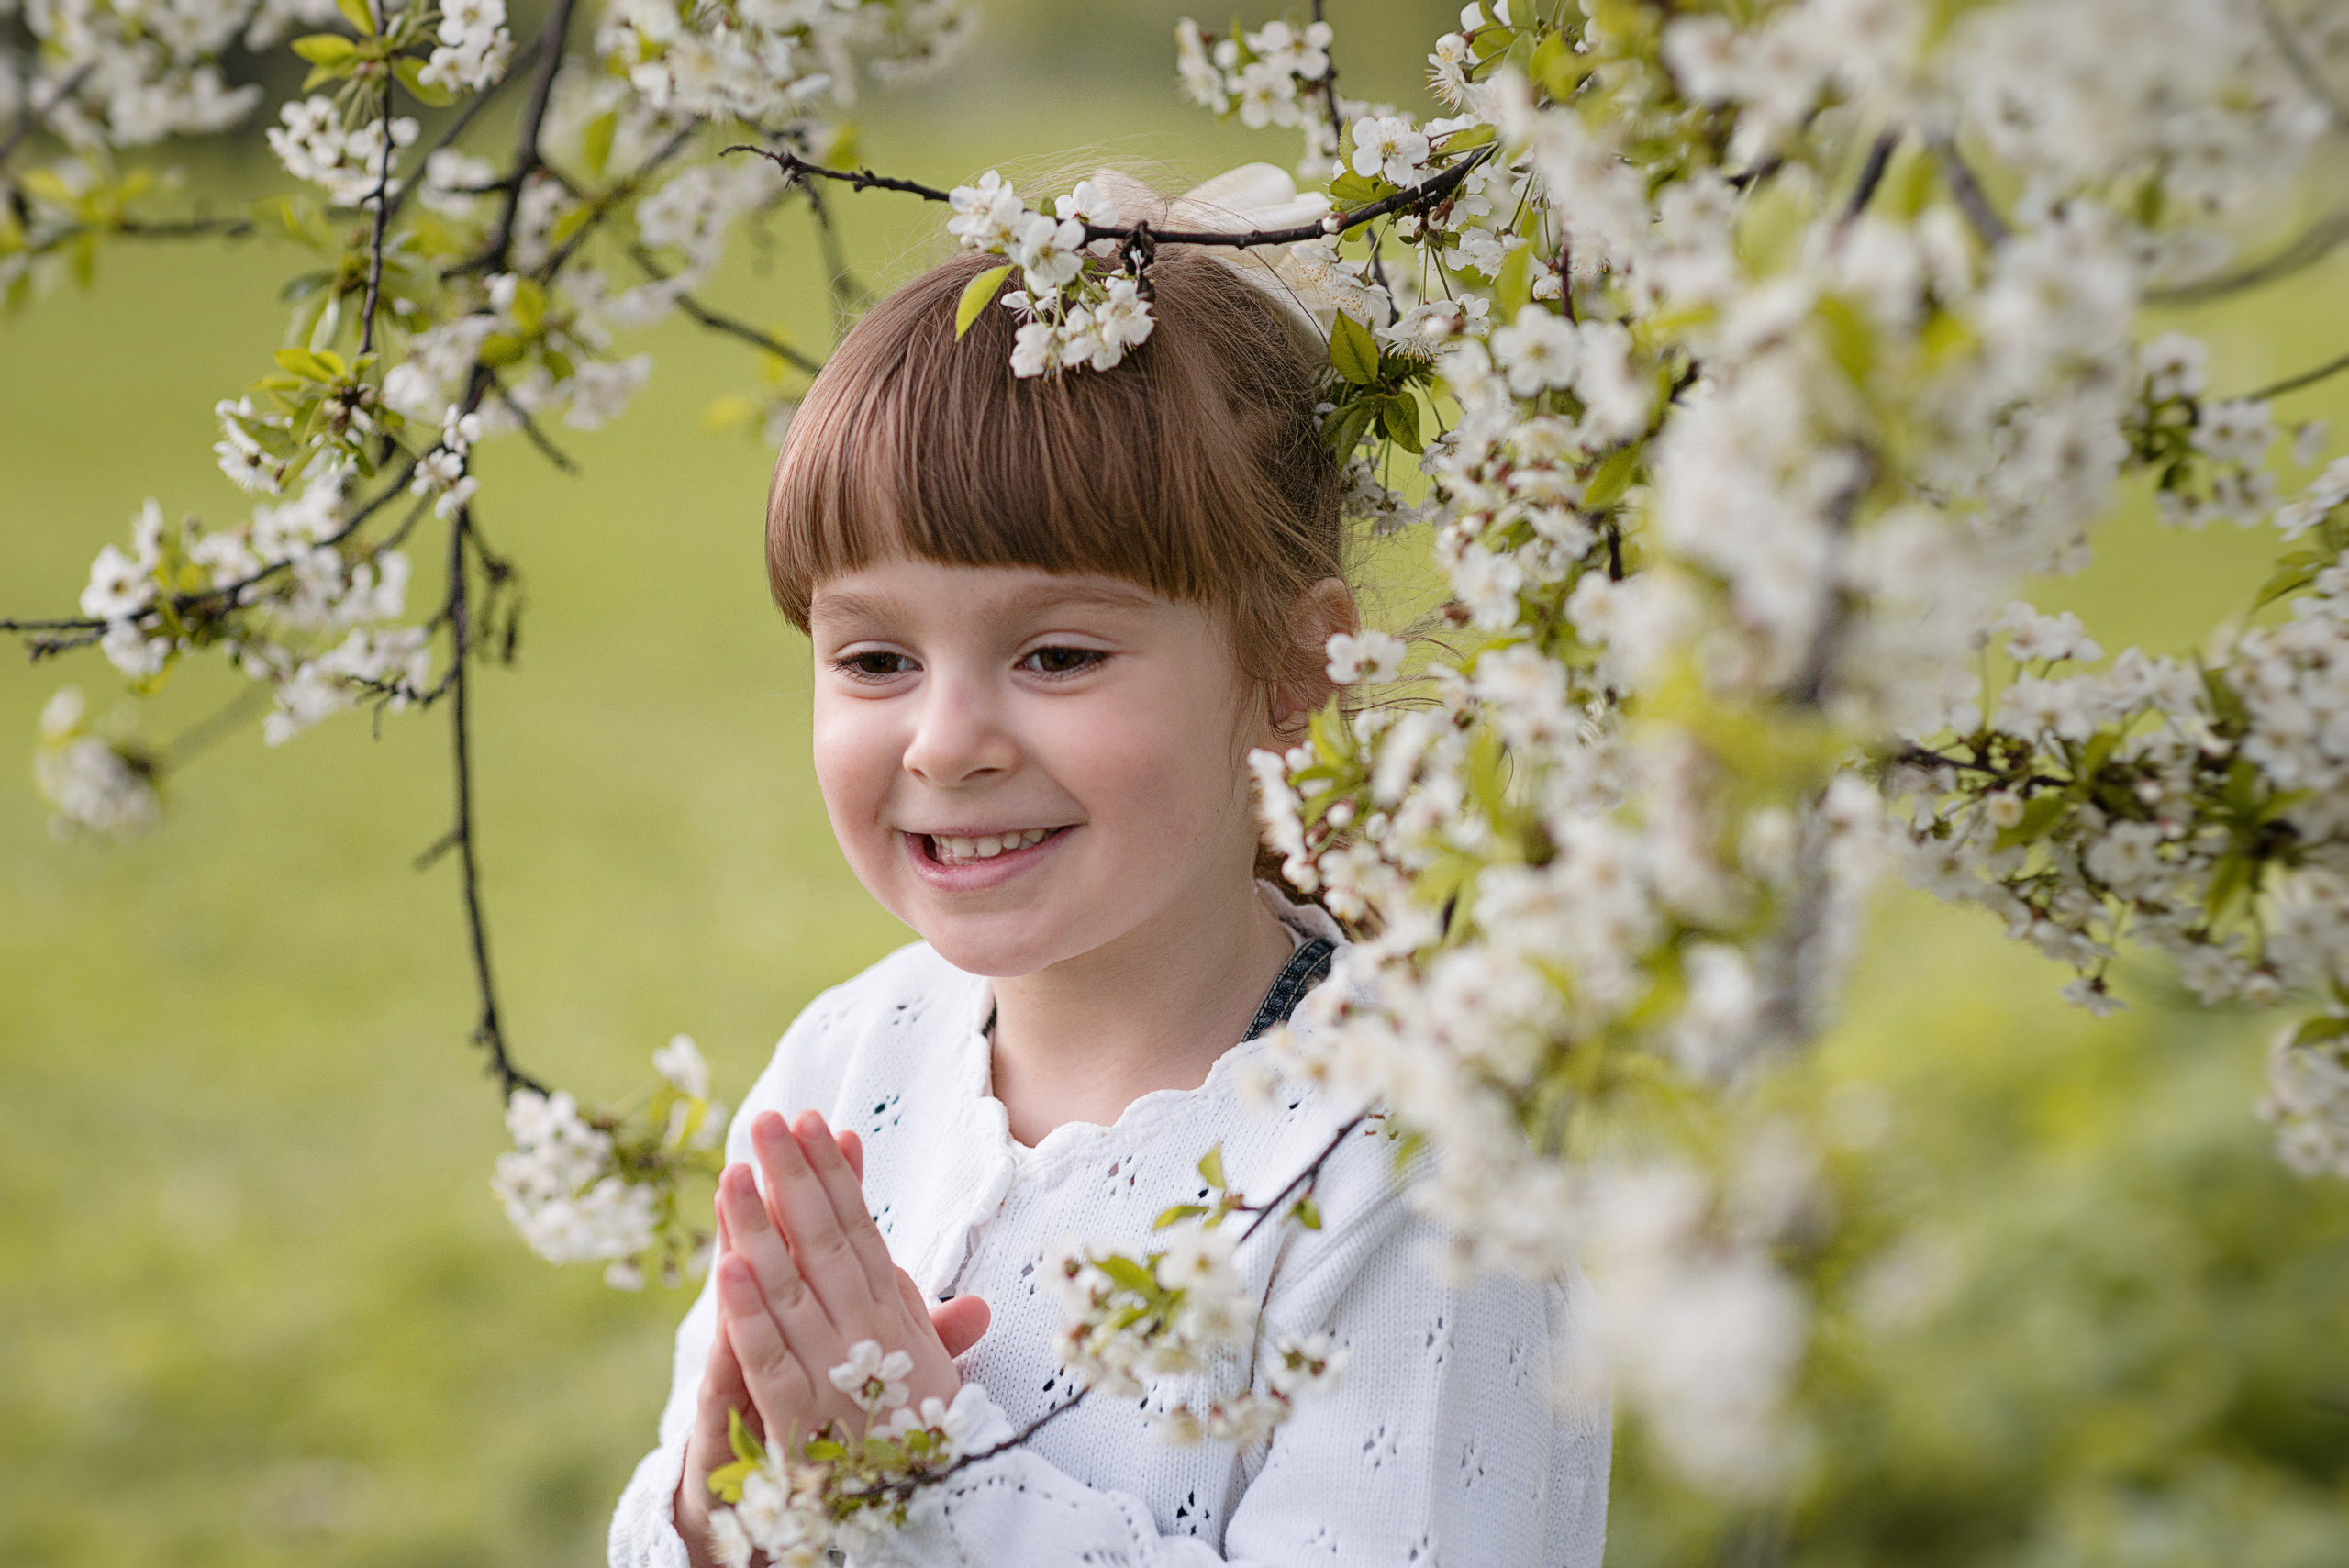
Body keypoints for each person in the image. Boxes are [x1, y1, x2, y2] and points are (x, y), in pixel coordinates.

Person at [607, 206, 1611, 1566]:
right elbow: (695, 1503)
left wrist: (918, 1486)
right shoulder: (841, 1071)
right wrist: (714, 1513)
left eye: (1059, 654)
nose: (945, 741)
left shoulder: (1399, 1159)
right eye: (874, 659)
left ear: (1295, 670)